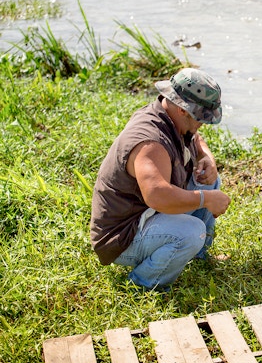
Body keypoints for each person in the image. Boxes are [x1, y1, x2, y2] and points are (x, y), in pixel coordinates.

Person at [90, 68, 231, 291]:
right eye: (200, 117)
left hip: (149, 214)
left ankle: (199, 255)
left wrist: (206, 157)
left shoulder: (171, 117)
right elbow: (157, 196)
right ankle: (142, 285)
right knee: (190, 232)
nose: (202, 123)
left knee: (208, 181)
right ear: (183, 109)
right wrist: (205, 199)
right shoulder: (150, 143)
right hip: (124, 235)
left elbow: (194, 136)